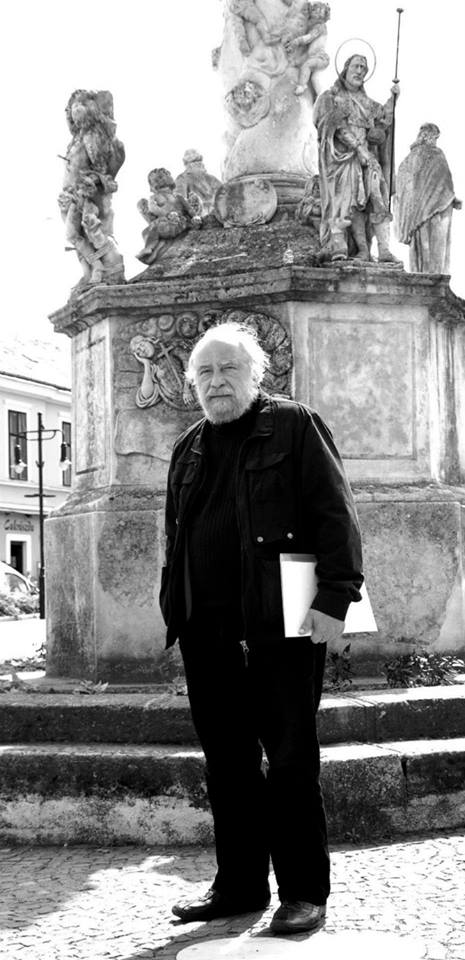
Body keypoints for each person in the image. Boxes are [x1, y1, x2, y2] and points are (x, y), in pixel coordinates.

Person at [160, 322, 363, 934]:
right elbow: (176, 536)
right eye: (205, 372)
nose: (216, 381)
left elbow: (335, 514)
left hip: (282, 627)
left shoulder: (295, 425)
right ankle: (240, 886)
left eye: (229, 369)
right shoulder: (188, 447)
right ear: (192, 384)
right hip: (207, 634)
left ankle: (303, 892)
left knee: (292, 760)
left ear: (256, 373)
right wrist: (176, 611)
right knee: (227, 764)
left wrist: (337, 597)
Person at [313, 54, 401, 263]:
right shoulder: (332, 97)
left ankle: (384, 249)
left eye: (364, 68)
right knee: (347, 203)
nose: (360, 71)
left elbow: (383, 119)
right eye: (356, 66)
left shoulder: (368, 103)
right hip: (343, 158)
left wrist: (393, 99)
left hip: (368, 157)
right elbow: (337, 127)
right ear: (346, 68)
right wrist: (359, 149)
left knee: (377, 198)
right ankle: (346, 246)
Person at [394, 123, 462, 274]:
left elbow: (402, 189)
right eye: (435, 137)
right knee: (435, 246)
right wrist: (451, 197)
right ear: (427, 136)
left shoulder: (408, 160)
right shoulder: (436, 155)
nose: (435, 141)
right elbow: (443, 181)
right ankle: (433, 275)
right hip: (434, 209)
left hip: (418, 213)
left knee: (421, 245)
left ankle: (422, 274)